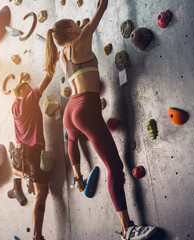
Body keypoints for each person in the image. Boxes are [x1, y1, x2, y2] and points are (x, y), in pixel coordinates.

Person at [45, 0, 157, 239]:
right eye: (74, 25)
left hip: (71, 110)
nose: (78, 25)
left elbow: (83, 28)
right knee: (115, 167)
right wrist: (93, 13)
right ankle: (127, 229)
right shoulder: (80, 39)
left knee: (72, 140)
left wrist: (81, 25)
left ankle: (77, 177)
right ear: (68, 31)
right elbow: (102, 8)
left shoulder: (63, 54)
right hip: (86, 108)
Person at [10, 70, 56, 240]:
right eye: (28, 87)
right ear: (23, 92)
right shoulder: (28, 100)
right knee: (41, 194)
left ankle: (27, 176)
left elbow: (17, 93)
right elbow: (46, 80)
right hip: (34, 151)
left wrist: (22, 80)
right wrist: (51, 66)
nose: (31, 88)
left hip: (21, 152)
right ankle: (37, 237)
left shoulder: (14, 106)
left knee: (41, 190)